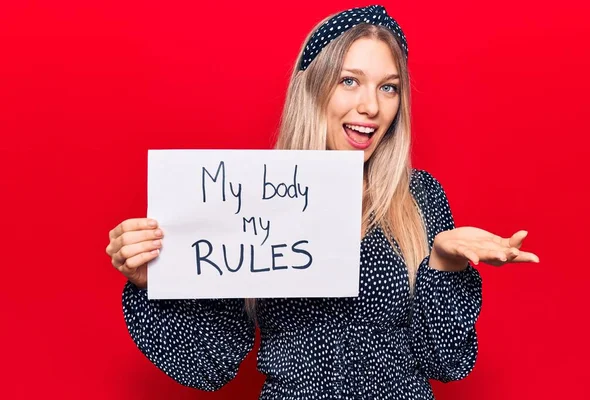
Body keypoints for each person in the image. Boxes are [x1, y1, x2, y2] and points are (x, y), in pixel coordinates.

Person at [105, 5, 539, 399]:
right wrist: (158, 279)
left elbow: (445, 364)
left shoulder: (420, 197)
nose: (370, 106)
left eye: (388, 88)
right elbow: (210, 363)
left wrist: (445, 265)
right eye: (349, 81)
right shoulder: (251, 193)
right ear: (313, 87)